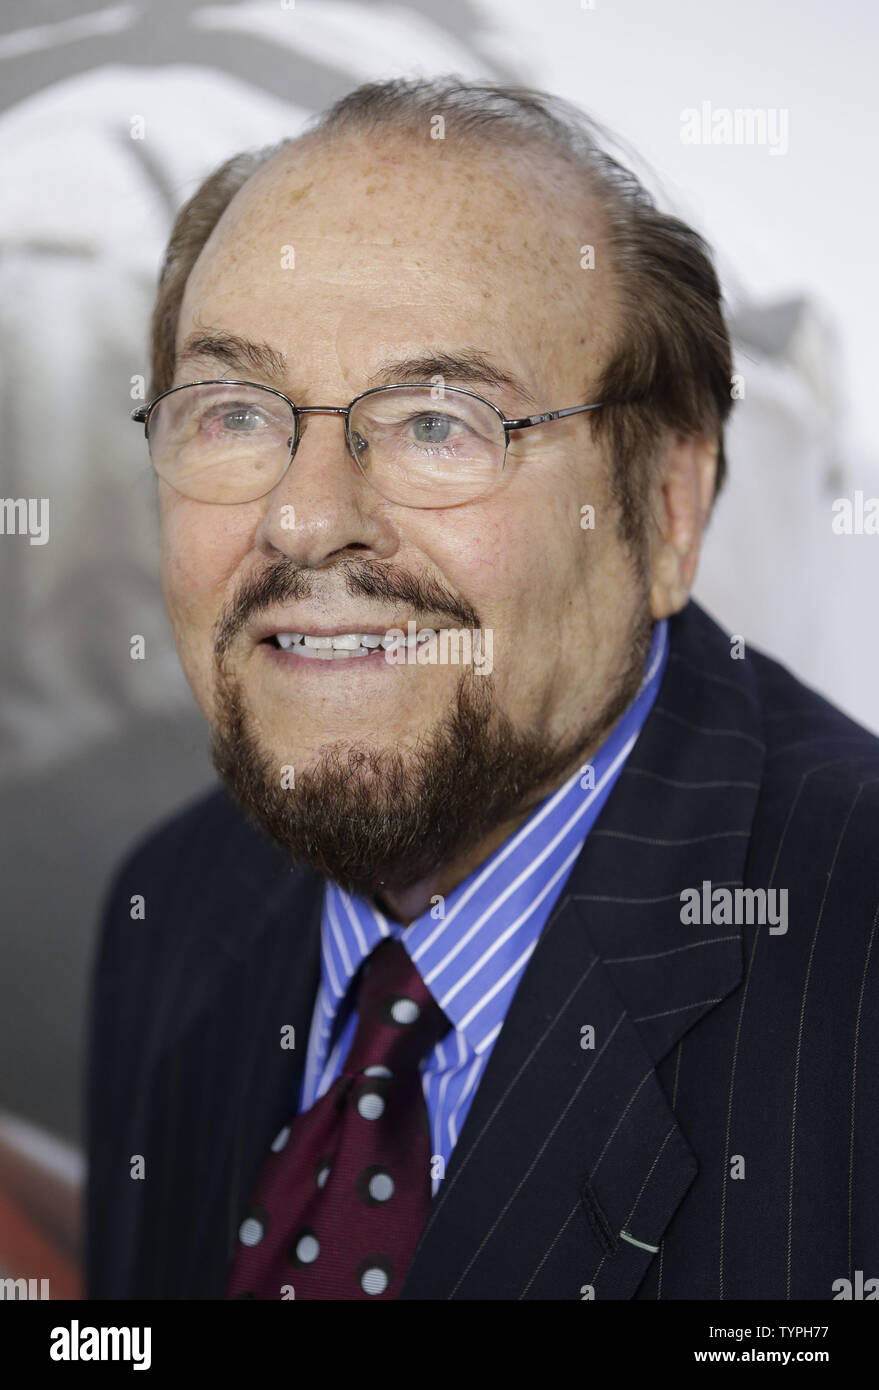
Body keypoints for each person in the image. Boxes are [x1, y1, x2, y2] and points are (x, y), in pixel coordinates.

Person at [85, 77, 879, 1301]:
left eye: (438, 424)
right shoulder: (171, 909)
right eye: (238, 412)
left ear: (665, 509)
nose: (304, 519)